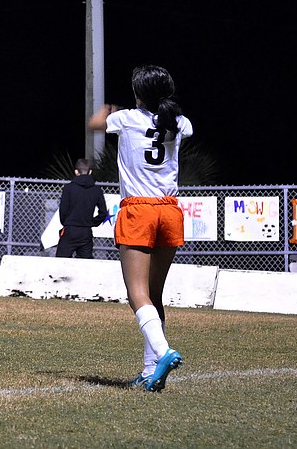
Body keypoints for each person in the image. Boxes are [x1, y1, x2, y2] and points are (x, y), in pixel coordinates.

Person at [88, 64, 193, 392]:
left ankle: (162, 353)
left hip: (139, 209)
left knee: (137, 294)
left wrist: (107, 109)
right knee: (155, 294)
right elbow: (179, 126)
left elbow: (94, 125)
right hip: (170, 210)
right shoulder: (180, 123)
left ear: (138, 94)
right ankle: (150, 370)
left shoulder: (126, 119)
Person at [55, 158, 108, 259]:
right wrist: (92, 222)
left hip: (70, 229)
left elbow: (63, 210)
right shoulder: (97, 190)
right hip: (86, 232)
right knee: (85, 264)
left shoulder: (69, 188)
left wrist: (66, 222)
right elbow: (103, 213)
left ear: (76, 171)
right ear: (90, 172)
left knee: (61, 262)